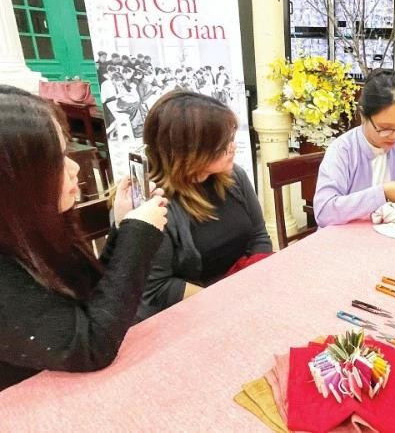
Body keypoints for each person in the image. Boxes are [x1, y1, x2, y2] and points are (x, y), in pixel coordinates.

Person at [0, 85, 168, 391]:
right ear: (16, 178)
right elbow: (92, 345)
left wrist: (122, 226)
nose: (76, 167)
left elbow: (92, 300)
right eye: (58, 158)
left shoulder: (30, 230)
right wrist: (137, 235)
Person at [136, 91, 272, 320]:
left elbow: (258, 236)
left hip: (241, 296)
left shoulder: (233, 177)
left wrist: (258, 286)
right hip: (192, 314)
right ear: (190, 151)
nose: (233, 147)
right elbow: (158, 288)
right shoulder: (152, 205)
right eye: (222, 144)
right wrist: (226, 303)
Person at [314, 69, 395, 227]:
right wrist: (383, 193)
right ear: (363, 116)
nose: (394, 135)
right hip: (349, 240)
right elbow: (324, 212)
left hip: (393, 235)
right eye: (385, 128)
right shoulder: (343, 150)